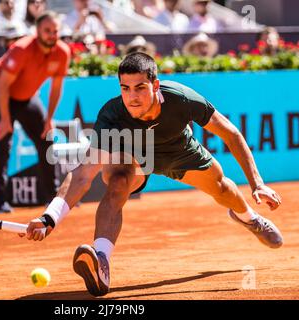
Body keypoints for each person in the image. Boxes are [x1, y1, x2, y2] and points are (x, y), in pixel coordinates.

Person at [22, 52, 284, 297]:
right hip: (132, 155)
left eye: (139, 88)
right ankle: (101, 259)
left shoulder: (181, 99)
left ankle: (250, 218)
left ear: (155, 86)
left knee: (222, 189)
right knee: (117, 182)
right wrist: (50, 217)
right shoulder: (112, 115)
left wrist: (257, 183)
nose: (132, 97)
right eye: (125, 88)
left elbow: (231, 133)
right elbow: (82, 175)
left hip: (177, 152)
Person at [0, 11, 70, 213]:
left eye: (55, 31)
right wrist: (5, 120)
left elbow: (56, 88)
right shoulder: (21, 49)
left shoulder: (63, 52)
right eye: (47, 30)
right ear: (37, 31)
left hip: (26, 98)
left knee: (47, 138)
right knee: (3, 142)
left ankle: (53, 199)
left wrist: (49, 119)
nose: (51, 34)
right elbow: (4, 85)